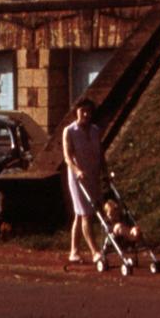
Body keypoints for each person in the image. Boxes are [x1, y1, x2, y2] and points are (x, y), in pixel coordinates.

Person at [62, 97, 107, 264]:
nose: (86, 114)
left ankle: (74, 252)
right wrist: (77, 171)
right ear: (76, 112)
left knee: (80, 214)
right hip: (78, 179)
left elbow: (101, 154)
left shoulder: (95, 130)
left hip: (93, 176)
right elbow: (67, 157)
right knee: (86, 213)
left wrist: (105, 172)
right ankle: (95, 252)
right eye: (83, 111)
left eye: (89, 111)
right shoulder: (69, 131)